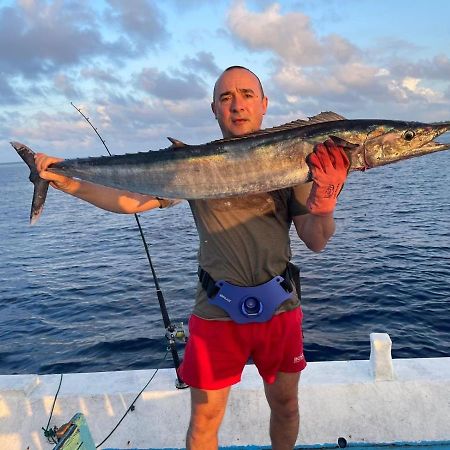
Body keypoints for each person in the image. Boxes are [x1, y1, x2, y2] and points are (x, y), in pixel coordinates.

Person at [35, 66, 349, 450]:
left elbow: (315, 240)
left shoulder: (297, 164)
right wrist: (68, 182)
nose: (237, 105)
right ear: (214, 110)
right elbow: (130, 200)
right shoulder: (196, 166)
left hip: (281, 307)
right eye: (226, 97)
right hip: (216, 310)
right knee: (204, 420)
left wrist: (326, 200)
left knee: (285, 406)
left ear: (264, 105)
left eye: (247, 95)